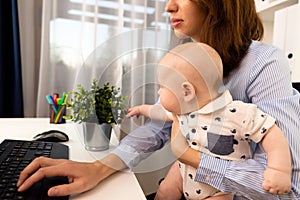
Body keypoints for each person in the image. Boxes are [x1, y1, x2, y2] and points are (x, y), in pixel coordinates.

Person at [17, 0, 300, 199]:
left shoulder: (264, 63)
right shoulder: (185, 56)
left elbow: (288, 188)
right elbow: (158, 126)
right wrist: (99, 168)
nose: (168, 6)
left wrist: (189, 156)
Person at [126, 42, 292, 199]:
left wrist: (279, 169)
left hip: (219, 189)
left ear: (186, 92)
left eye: (162, 87)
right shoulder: (184, 111)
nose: (159, 93)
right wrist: (142, 109)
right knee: (165, 190)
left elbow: (271, 132)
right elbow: (160, 112)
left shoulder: (236, 112)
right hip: (185, 171)